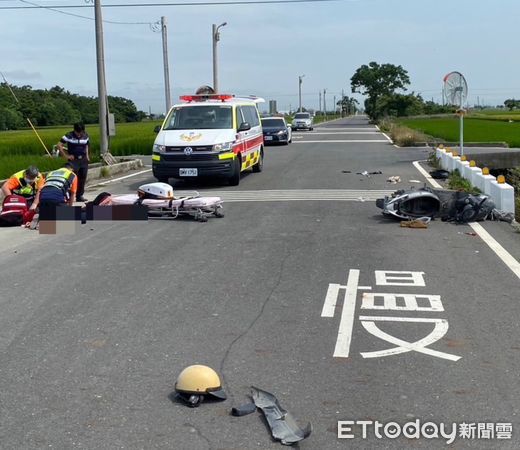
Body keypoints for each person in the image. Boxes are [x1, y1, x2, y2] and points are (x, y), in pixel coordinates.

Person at [57, 122, 90, 202]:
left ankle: (79, 196)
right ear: (74, 130)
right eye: (77, 132)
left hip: (83, 159)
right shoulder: (69, 135)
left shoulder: (86, 135)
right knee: (71, 178)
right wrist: (66, 156)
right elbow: (59, 145)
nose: (79, 134)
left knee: (82, 178)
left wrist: (87, 155)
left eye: (81, 132)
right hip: (73, 160)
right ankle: (68, 196)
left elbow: (86, 145)